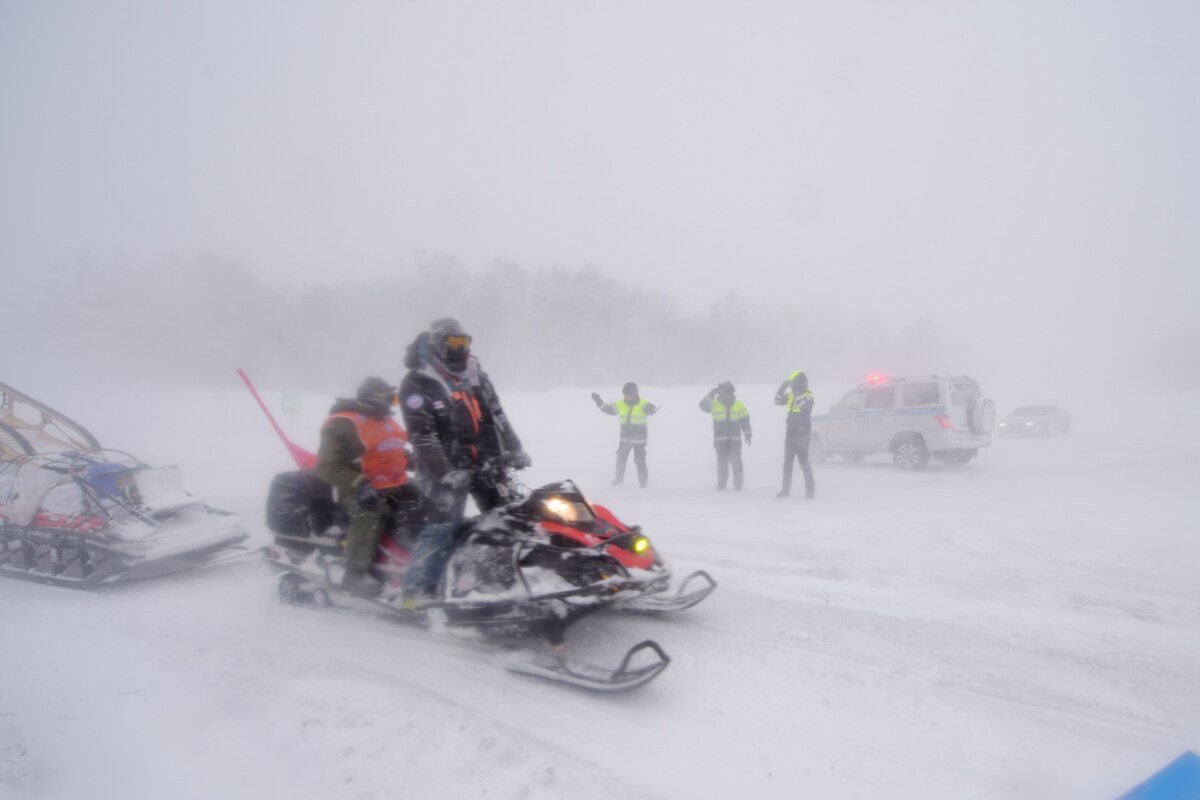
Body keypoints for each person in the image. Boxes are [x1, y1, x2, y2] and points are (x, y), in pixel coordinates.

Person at [398, 318, 531, 607]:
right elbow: (423, 435)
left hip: (485, 459)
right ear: (438, 344)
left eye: (466, 342)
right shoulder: (418, 381)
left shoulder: (475, 372)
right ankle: (415, 593)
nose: (462, 349)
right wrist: (445, 472)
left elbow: (497, 413)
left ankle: (511, 577)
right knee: (442, 526)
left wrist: (514, 448)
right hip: (443, 467)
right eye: (455, 343)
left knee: (508, 516)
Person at [317, 376, 413, 597]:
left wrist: (428, 463)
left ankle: (413, 556)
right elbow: (328, 466)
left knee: (430, 500)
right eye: (391, 399)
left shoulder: (386, 421)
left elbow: (395, 451)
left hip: (395, 483)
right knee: (372, 511)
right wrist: (359, 484)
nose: (392, 405)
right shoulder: (345, 423)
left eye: (395, 400)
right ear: (376, 398)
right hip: (357, 488)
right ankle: (354, 573)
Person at [591, 382, 659, 488]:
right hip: (625, 439)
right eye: (624, 394)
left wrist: (652, 409)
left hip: (639, 440)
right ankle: (618, 479)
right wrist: (599, 402)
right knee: (620, 458)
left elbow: (650, 410)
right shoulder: (620, 404)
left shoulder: (643, 404)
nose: (625, 397)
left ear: (634, 394)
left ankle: (643, 482)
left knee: (640, 460)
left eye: (627, 394)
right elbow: (609, 410)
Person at [699, 381, 752, 491]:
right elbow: (702, 406)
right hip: (720, 441)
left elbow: (745, 419)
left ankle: (738, 484)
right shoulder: (714, 404)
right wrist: (710, 394)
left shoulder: (738, 405)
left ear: (731, 393)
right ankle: (721, 483)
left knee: (736, 462)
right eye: (722, 393)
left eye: (726, 393)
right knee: (722, 463)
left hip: (735, 441)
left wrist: (748, 433)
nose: (724, 396)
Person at [775, 370, 815, 498]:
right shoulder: (790, 396)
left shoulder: (808, 396)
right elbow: (776, 400)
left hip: (803, 434)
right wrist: (783, 387)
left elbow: (804, 408)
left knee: (804, 463)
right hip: (791, 434)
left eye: (796, 384)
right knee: (787, 463)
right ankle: (785, 490)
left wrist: (797, 393)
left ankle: (810, 490)